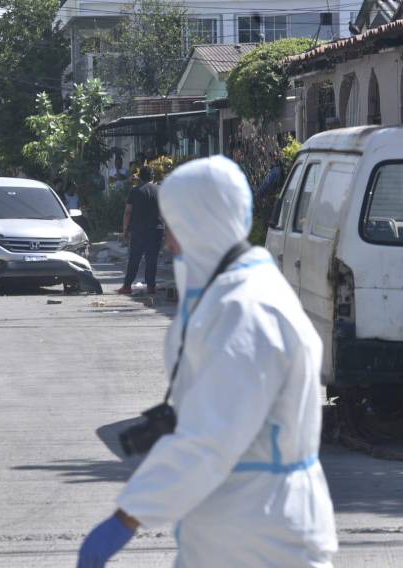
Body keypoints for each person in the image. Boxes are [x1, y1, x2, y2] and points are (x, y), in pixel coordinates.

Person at [77, 156, 337, 567]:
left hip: (263, 537)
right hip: (234, 529)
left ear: (199, 224)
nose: (168, 243)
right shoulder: (233, 296)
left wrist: (127, 519)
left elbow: (210, 438)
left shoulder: (246, 310)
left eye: (173, 228)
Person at [117, 166, 164, 296]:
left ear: (140, 178)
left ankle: (127, 286)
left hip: (139, 230)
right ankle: (151, 286)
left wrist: (125, 230)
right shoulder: (160, 191)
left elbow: (128, 212)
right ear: (152, 177)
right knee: (152, 258)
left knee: (135, 258)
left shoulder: (135, 191)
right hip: (156, 230)